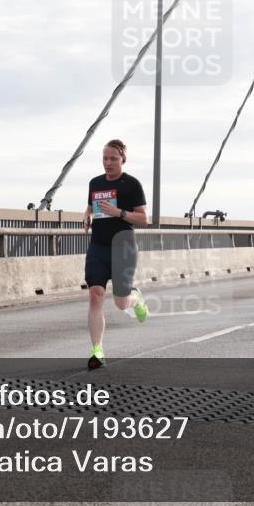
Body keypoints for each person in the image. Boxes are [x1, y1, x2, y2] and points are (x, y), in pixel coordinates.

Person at [83, 139, 149, 369]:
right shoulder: (95, 183)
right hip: (98, 246)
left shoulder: (131, 184)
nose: (108, 163)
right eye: (105, 158)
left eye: (113, 159)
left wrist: (119, 212)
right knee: (95, 294)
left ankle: (136, 297)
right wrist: (87, 215)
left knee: (121, 303)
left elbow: (143, 219)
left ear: (123, 160)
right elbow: (91, 206)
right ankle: (97, 350)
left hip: (123, 247)